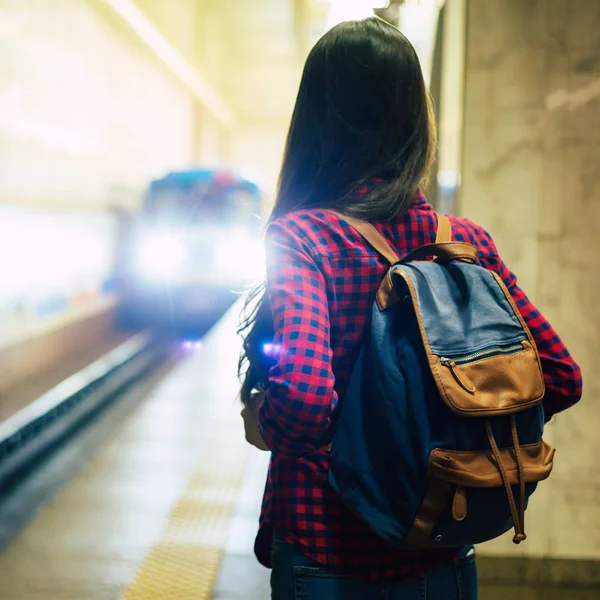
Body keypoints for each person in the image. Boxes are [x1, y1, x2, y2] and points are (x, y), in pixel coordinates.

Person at [237, 16, 583, 600]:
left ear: (315, 122)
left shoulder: (303, 239)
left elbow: (305, 397)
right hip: (441, 555)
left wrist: (262, 422)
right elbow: (562, 377)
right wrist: (448, 427)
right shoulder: (465, 242)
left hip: (328, 554)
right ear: (413, 119)